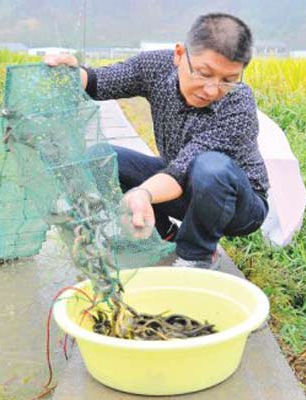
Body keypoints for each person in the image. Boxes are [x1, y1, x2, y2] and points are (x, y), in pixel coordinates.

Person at [44, 12, 269, 269]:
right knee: (102, 157)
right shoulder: (155, 67)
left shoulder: (238, 104)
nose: (212, 90)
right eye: (204, 74)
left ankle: (196, 256)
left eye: (228, 80)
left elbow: (185, 167)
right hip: (185, 188)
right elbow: (99, 82)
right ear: (179, 55)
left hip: (238, 205)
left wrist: (143, 193)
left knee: (210, 167)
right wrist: (73, 73)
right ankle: (164, 234)